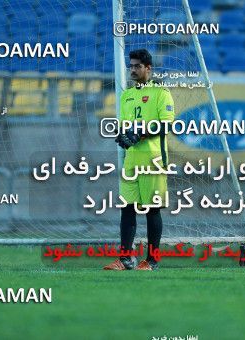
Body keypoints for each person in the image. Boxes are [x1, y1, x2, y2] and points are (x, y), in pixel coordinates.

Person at [103, 49, 175, 271]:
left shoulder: (161, 92)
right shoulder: (127, 95)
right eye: (131, 66)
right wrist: (122, 135)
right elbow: (126, 125)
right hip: (131, 160)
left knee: (152, 209)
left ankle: (151, 260)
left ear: (148, 68)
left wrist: (140, 134)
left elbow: (167, 123)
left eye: (137, 66)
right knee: (127, 207)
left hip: (153, 158)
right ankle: (126, 258)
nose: (132, 70)